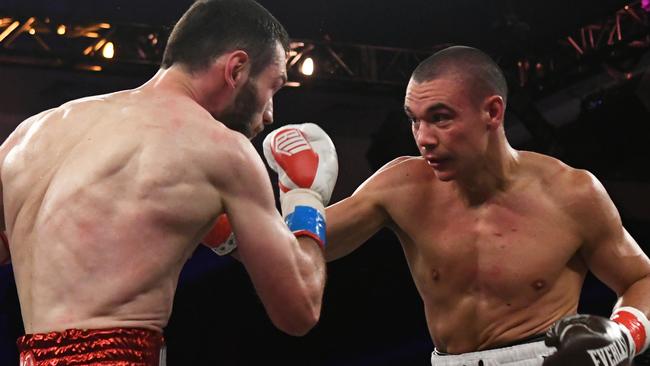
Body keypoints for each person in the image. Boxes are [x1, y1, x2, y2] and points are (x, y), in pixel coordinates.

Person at [0, 0, 337, 365]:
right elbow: (299, 309)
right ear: (236, 69)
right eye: (273, 87)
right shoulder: (221, 149)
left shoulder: (29, 134)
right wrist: (306, 197)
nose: (270, 112)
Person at [318, 46, 650, 365]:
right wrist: (300, 194)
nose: (423, 138)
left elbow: (642, 279)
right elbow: (303, 247)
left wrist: (624, 336)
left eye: (440, 118)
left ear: (492, 111)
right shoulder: (401, 186)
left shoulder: (570, 192)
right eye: (415, 120)